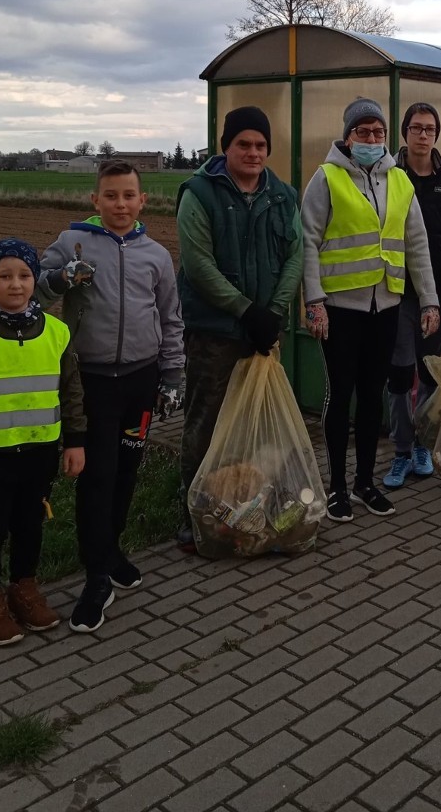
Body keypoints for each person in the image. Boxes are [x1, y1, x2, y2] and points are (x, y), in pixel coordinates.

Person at [40, 161, 184, 632]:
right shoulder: (71, 243)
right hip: (93, 383)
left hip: (141, 384)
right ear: (95, 201)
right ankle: (96, 576)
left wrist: (172, 376)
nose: (120, 204)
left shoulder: (157, 256)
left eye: (128, 196)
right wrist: (63, 278)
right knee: (97, 477)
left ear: (143, 201)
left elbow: (170, 320)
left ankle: (112, 548)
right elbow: (36, 293)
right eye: (111, 196)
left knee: (126, 471)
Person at [302, 97, 440, 522]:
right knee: (340, 397)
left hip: (386, 307)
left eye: (378, 132)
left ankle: (365, 482)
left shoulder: (399, 181)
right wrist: (313, 301)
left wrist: (430, 298)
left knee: (371, 399)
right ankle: (337, 488)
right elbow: (307, 240)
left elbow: (417, 243)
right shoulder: (326, 179)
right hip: (340, 310)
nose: (372, 139)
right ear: (348, 137)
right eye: (363, 132)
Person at [0, 239, 86, 646]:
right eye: (4, 275)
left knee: (29, 527)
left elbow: (72, 392)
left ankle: (24, 590)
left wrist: (75, 442)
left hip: (40, 455)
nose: (16, 284)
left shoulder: (57, 333)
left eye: (24, 275)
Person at [176, 105, 303, 552]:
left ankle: (254, 505)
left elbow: (294, 256)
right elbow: (198, 265)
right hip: (215, 332)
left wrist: (272, 312)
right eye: (243, 144)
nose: (253, 152)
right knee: (205, 423)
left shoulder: (283, 195)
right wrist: (245, 310)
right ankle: (196, 514)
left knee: (259, 425)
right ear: (225, 146)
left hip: (264, 330)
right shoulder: (200, 194)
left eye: (260, 145)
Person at [383, 102, 441, 488]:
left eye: (429, 129)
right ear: (405, 133)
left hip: (438, 292)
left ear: (437, 134)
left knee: (429, 370)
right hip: (397, 292)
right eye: (416, 128)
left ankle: (422, 443)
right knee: (400, 371)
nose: (423, 135)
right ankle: (401, 450)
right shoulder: (388, 177)